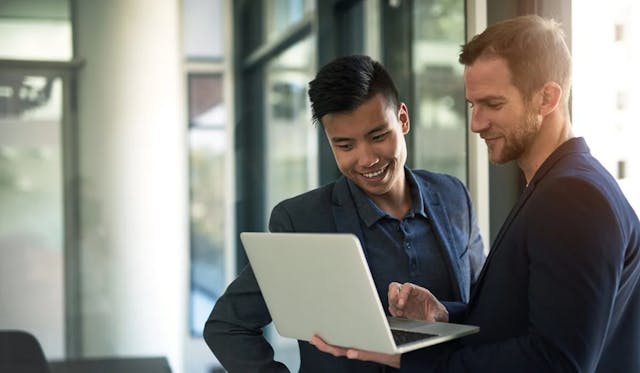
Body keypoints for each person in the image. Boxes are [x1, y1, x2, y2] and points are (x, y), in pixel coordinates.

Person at [311, 15, 640, 372]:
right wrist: (442, 314)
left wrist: (408, 358)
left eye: (493, 105)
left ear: (547, 98)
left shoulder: (572, 197)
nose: (476, 123)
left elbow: (557, 362)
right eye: (472, 105)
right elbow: (527, 319)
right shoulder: (558, 185)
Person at [203, 55, 486, 372]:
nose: (366, 159)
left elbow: (485, 312)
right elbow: (227, 326)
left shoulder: (453, 196)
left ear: (403, 119)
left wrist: (441, 312)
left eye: (378, 136)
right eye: (345, 145)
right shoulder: (303, 222)